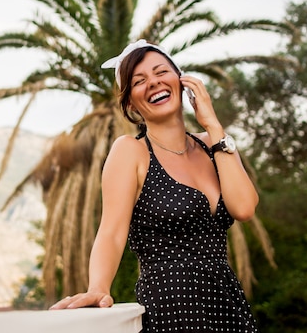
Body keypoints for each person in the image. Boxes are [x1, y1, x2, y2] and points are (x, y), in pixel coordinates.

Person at [49, 39, 260, 332]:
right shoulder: (130, 151)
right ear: (130, 102)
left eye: (161, 72)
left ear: (181, 79)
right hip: (172, 310)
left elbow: (245, 207)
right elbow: (110, 231)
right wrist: (98, 287)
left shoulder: (214, 144)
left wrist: (213, 125)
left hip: (229, 307)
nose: (154, 83)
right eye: (139, 81)